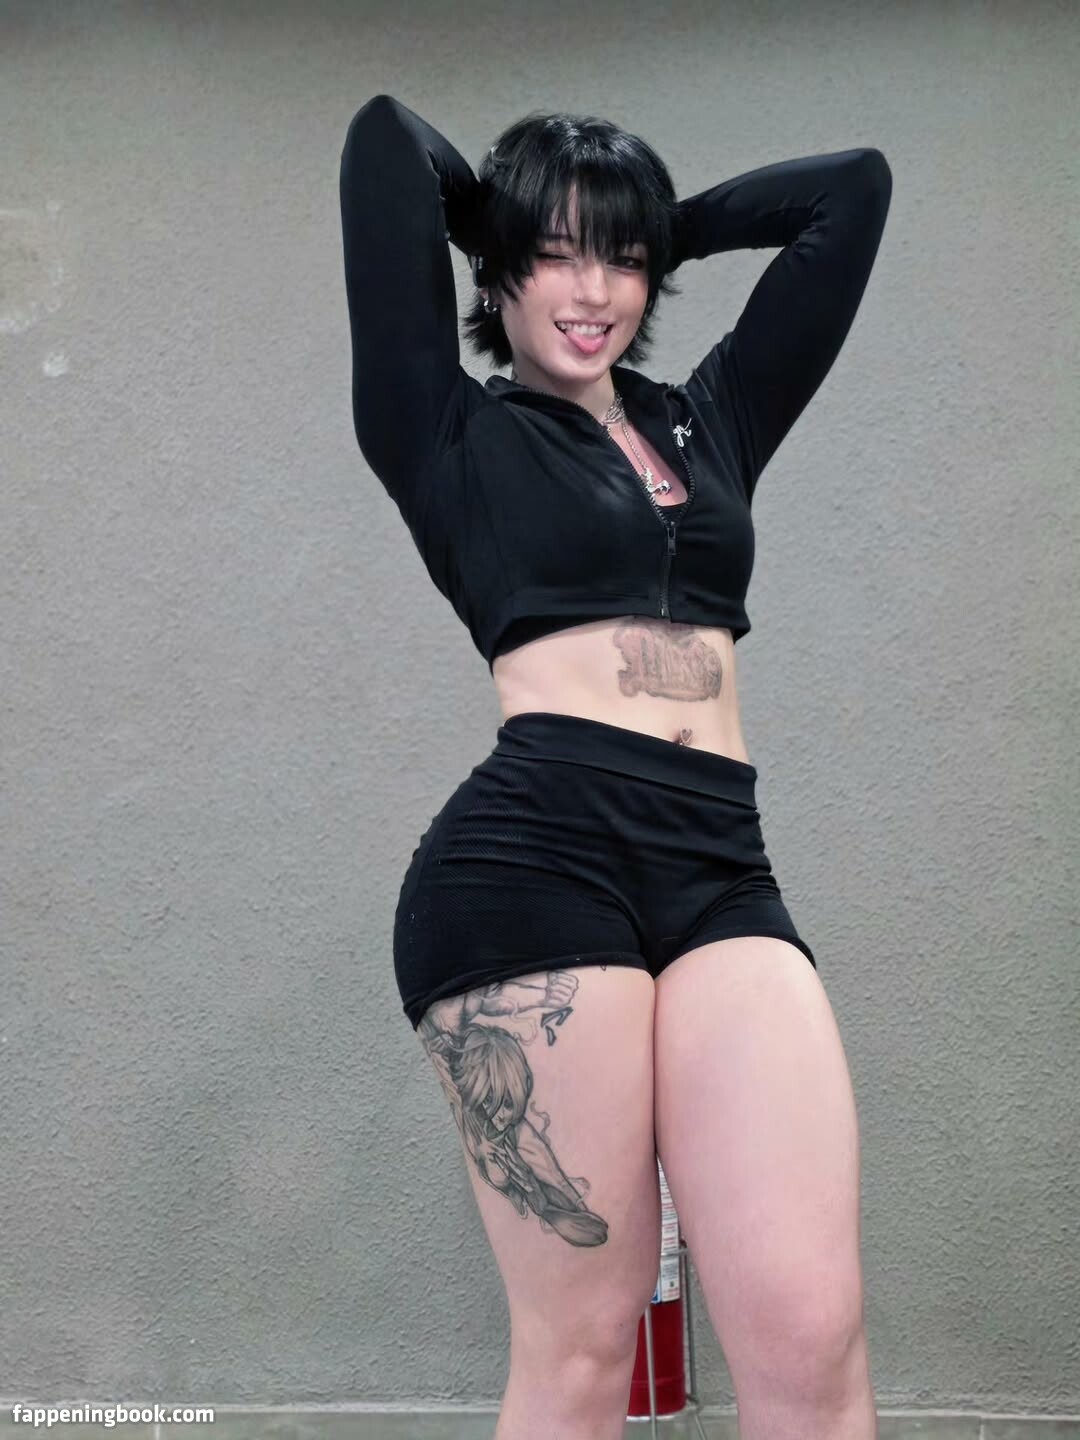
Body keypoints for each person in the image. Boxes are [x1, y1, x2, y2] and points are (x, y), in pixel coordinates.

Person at [339, 92, 892, 1440]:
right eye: (556, 259)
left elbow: (852, 191)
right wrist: (517, 214)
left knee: (812, 1338)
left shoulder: (711, 420)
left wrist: (653, 224)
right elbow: (386, 140)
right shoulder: (443, 428)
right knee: (586, 1353)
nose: (593, 292)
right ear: (499, 274)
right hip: (532, 866)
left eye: (621, 263)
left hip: (721, 867)